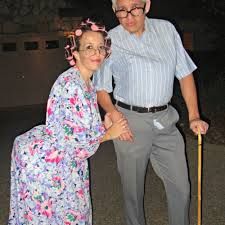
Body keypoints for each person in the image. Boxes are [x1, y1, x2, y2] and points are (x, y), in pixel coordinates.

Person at [93, 1, 209, 225]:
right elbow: (101, 89)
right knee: (133, 193)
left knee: (181, 188)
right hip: (130, 121)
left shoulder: (166, 30)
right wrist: (113, 113)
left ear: (147, 5)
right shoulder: (109, 41)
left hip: (165, 119)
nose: (128, 16)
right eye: (121, 11)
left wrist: (194, 115)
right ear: (114, 10)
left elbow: (184, 74)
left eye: (135, 8)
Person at [8, 18, 129, 225]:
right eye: (89, 47)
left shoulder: (86, 83)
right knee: (57, 217)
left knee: (71, 214)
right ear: (75, 54)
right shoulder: (71, 85)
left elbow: (79, 128)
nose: (96, 53)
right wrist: (109, 133)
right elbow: (74, 143)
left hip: (63, 162)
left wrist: (103, 126)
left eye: (100, 47)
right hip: (45, 166)